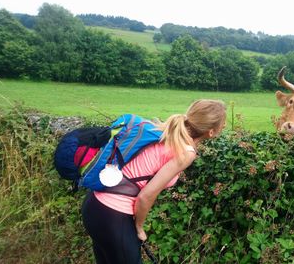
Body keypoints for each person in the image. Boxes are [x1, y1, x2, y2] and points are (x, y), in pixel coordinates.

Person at [81, 99, 226, 264]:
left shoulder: (165, 131)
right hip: (113, 215)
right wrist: (139, 227)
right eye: (222, 125)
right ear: (211, 132)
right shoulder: (187, 152)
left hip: (94, 205)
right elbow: (146, 196)